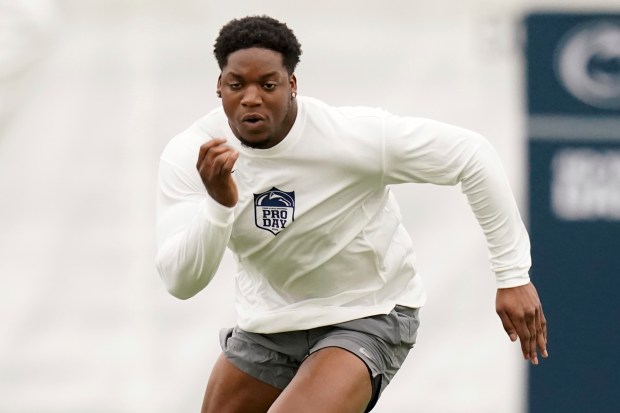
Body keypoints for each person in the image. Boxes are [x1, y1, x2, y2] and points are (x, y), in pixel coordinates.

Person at [155, 15, 548, 413]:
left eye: (268, 85)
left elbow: (472, 155)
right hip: (269, 325)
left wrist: (513, 276)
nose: (251, 98)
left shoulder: (351, 136)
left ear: (292, 86)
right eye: (237, 85)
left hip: (370, 312)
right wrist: (219, 205)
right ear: (219, 88)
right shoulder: (193, 154)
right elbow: (181, 282)